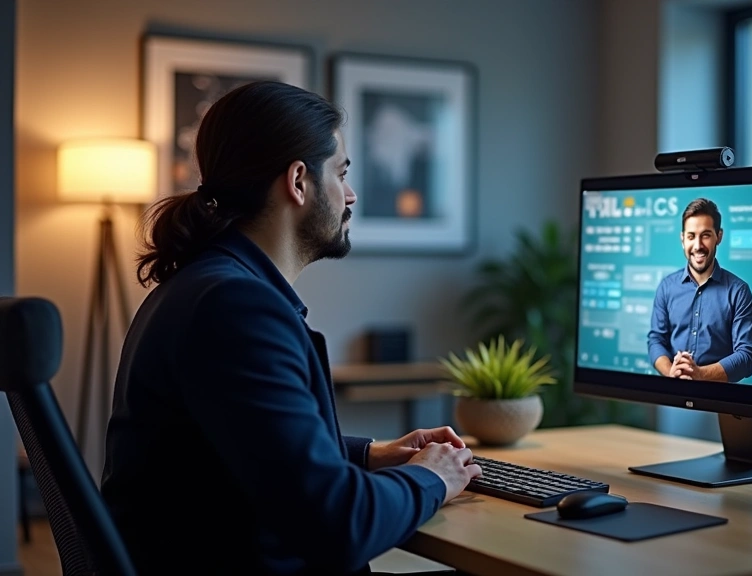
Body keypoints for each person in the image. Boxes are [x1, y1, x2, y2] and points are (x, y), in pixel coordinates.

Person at [100, 80, 481, 575]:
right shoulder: (235, 309)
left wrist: (372, 454)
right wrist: (432, 478)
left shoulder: (203, 287)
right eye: (341, 174)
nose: (351, 194)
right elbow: (338, 525)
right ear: (299, 181)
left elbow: (247, 445)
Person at [646, 198, 752, 383]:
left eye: (705, 235)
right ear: (682, 239)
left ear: (718, 236)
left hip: (721, 402)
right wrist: (671, 374)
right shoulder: (666, 287)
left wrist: (699, 375)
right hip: (673, 397)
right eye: (691, 236)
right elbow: (656, 340)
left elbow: (747, 356)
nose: (698, 245)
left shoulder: (739, 292)